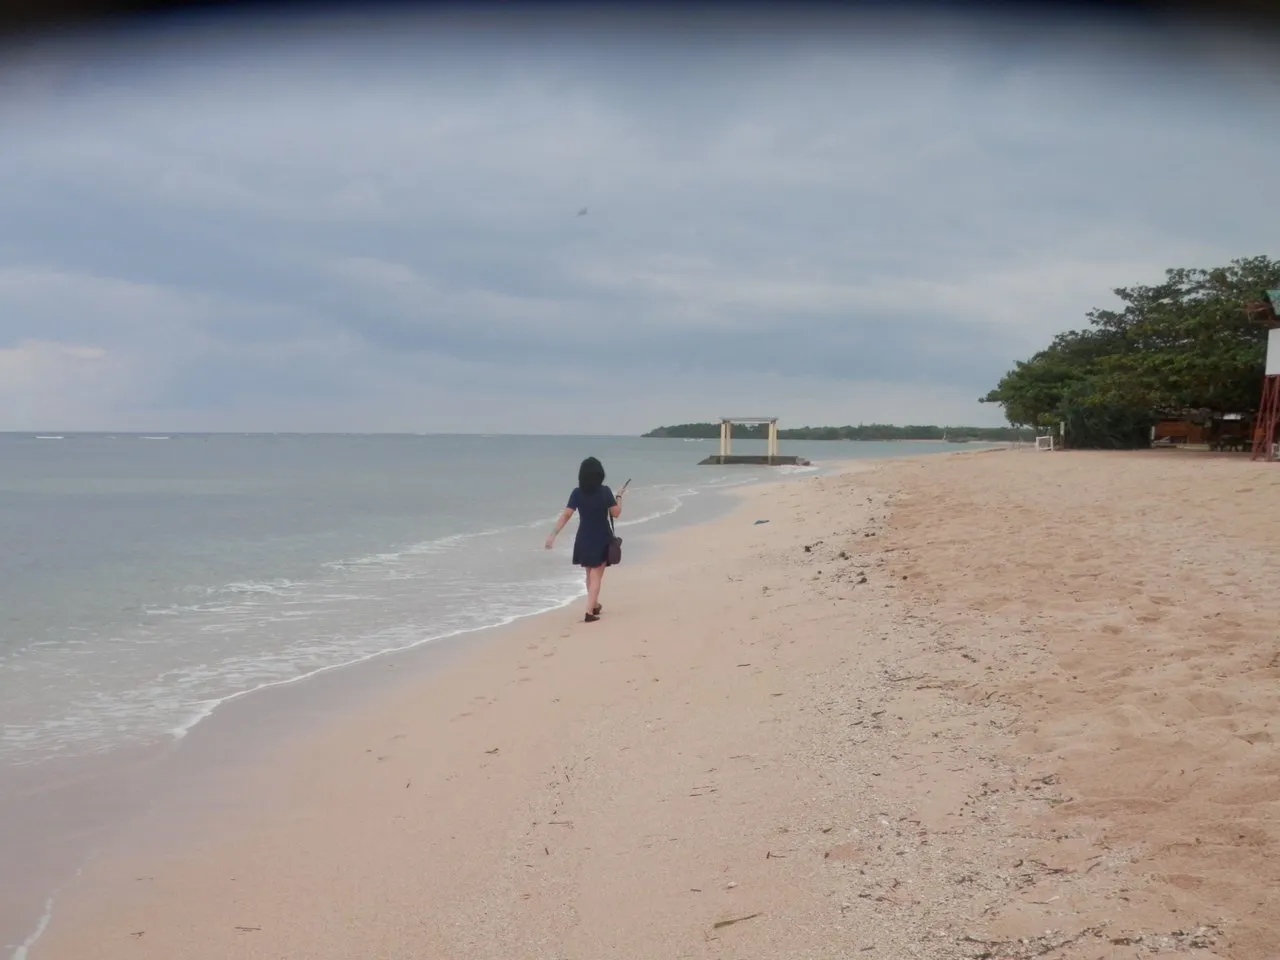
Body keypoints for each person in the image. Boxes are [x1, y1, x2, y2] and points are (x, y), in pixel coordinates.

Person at [544, 456, 623, 623]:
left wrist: (553, 535)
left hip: (583, 537)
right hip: (601, 536)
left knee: (589, 573)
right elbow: (616, 513)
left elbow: (566, 515)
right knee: (596, 575)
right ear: (600, 474)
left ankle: (594, 605)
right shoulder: (605, 491)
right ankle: (589, 611)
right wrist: (619, 497)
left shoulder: (577, 493)